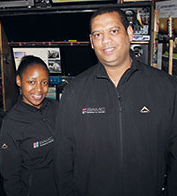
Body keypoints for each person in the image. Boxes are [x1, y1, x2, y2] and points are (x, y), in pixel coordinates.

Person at [54, 7, 177, 196]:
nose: (105, 40)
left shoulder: (166, 87)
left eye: (113, 31)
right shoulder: (74, 92)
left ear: (129, 33)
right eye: (97, 34)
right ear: (91, 42)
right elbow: (63, 161)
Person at [0, 55, 58, 196]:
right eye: (32, 82)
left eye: (44, 83)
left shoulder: (57, 108)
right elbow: (10, 176)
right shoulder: (12, 123)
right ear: (19, 81)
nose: (39, 90)